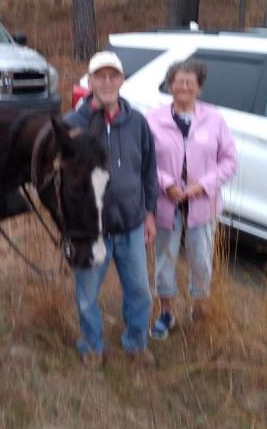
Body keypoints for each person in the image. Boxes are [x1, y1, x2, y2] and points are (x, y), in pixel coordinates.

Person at [63, 51, 158, 368]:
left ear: (122, 80)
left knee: (140, 293)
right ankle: (92, 346)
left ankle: (136, 343)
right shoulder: (72, 125)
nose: (106, 82)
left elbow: (148, 170)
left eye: (112, 76)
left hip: (131, 225)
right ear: (89, 82)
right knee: (88, 294)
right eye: (99, 76)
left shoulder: (137, 122)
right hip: (92, 232)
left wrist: (149, 213)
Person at [146, 59, 237, 339]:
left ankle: (199, 310)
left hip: (202, 204)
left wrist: (203, 186)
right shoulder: (153, 119)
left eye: (190, 81)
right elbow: (145, 161)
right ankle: (166, 313)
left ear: (199, 86)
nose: (183, 86)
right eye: (178, 81)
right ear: (170, 85)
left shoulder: (214, 118)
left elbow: (229, 161)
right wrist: (167, 183)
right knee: (165, 260)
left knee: (201, 259)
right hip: (166, 203)